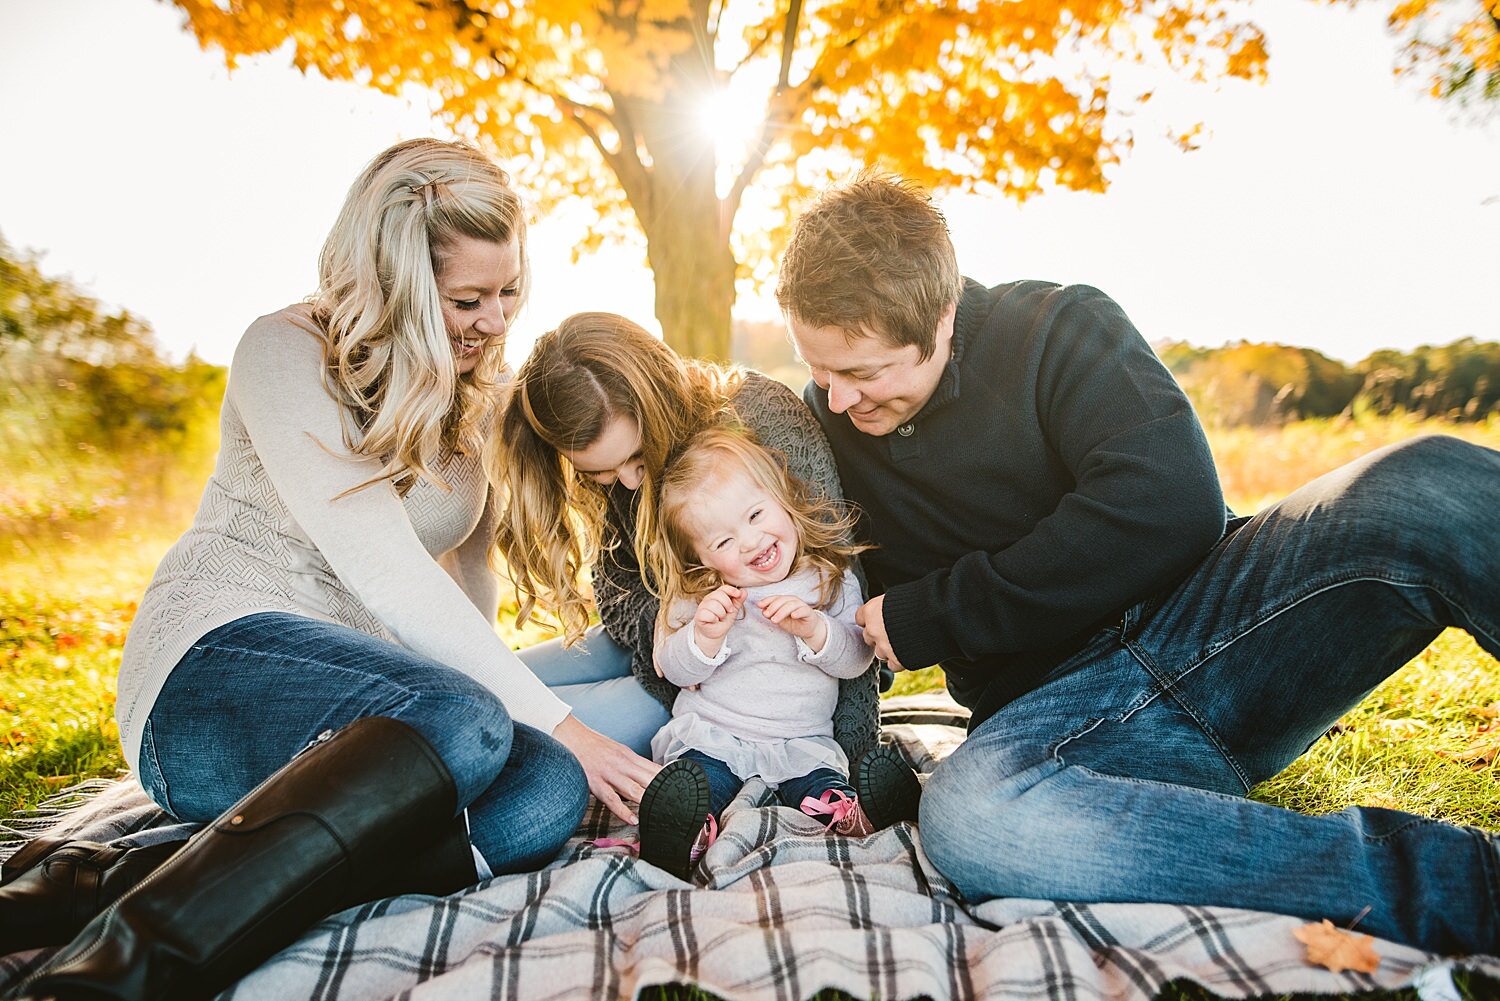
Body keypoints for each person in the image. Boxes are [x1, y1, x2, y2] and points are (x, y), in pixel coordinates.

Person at [773, 170, 1500, 957]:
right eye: (819, 370)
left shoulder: (1056, 325)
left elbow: (1171, 503)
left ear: (943, 315)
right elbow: (820, 600)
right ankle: (1468, 890)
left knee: (1428, 484)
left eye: (866, 372)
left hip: (1223, 624)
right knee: (970, 817)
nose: (839, 400)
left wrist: (936, 614)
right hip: (1060, 720)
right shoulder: (827, 435)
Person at [5, 139, 628, 1000]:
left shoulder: (472, 395)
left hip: (373, 722)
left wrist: (525, 739)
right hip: (211, 669)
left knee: (542, 789)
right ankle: (120, 969)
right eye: (466, 299)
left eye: (509, 290)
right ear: (401, 287)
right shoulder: (285, 352)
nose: (495, 320)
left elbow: (463, 574)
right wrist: (562, 722)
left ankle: (103, 880)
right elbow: (385, 569)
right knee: (476, 720)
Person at [491, 312, 883, 834]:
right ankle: (401, 709)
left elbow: (835, 568)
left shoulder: (759, 417)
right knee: (490, 676)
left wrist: (855, 762)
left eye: (634, 459)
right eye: (601, 474)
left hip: (706, 695)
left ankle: (431, 742)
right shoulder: (614, 460)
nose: (626, 483)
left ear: (652, 400)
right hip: (681, 645)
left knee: (506, 725)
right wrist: (689, 621)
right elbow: (615, 588)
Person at [621, 427, 920, 879]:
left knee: (820, 789)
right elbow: (671, 669)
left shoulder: (827, 579)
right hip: (717, 734)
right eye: (722, 542)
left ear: (783, 499)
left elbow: (857, 660)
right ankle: (683, 832)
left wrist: (815, 629)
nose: (749, 541)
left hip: (801, 740)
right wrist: (704, 637)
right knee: (700, 781)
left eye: (757, 514)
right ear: (702, 559)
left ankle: (862, 815)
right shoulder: (701, 595)